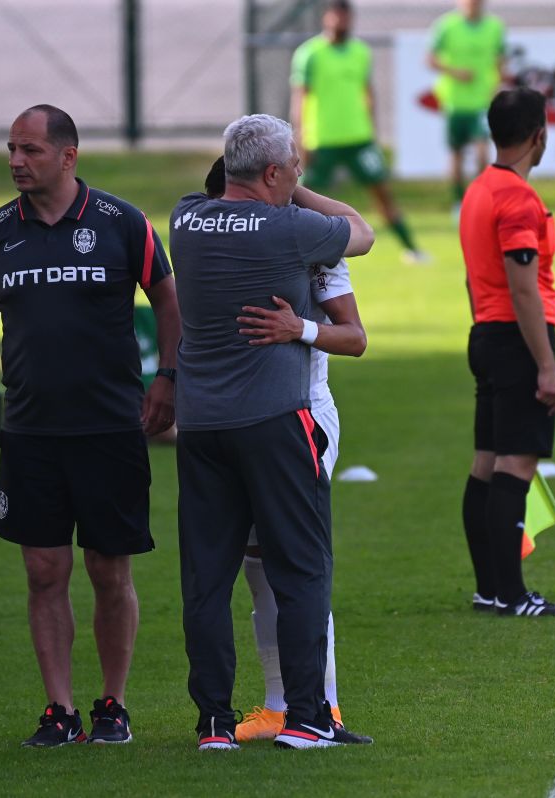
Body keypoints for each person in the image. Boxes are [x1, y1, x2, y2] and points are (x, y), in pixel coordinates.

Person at [0, 104, 179, 748]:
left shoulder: (122, 222)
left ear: (68, 157)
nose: (17, 161)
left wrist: (167, 378)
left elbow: (167, 299)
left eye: (31, 150)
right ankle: (59, 709)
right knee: (44, 572)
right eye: (11, 149)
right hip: (30, 432)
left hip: (110, 429)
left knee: (108, 570)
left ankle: (113, 705)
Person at [171, 114, 373, 751]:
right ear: (272, 173)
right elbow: (362, 233)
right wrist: (295, 190)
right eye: (292, 167)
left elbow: (353, 333)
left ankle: (215, 724)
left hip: (201, 426)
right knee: (299, 570)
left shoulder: (184, 219)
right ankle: (309, 716)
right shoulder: (293, 230)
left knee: (208, 579)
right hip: (277, 420)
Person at [459, 88, 555, 618]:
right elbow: (523, 287)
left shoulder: (478, 190)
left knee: (487, 462)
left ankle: (490, 588)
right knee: (515, 462)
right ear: (539, 136)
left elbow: (472, 276)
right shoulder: (517, 199)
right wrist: (545, 366)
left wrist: (486, 327)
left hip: (487, 332)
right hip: (517, 339)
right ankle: (511, 594)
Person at [291, 0, 426, 264]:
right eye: (335, 15)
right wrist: (301, 136)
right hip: (322, 140)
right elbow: (300, 98)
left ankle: (411, 249)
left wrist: (373, 132)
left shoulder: (360, 52)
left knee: (383, 193)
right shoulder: (309, 54)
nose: (340, 21)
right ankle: (291, 253)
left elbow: (368, 93)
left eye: (344, 15)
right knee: (300, 198)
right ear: (326, 17)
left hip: (359, 139)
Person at [427, 0, 509, 212]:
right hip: (454, 103)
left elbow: (501, 61)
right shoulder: (446, 26)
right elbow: (430, 59)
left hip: (481, 102)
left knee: (482, 152)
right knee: (456, 155)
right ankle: (458, 202)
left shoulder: (494, 27)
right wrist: (455, 72)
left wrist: (498, 85)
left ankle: (480, 200)